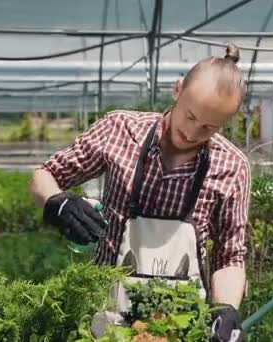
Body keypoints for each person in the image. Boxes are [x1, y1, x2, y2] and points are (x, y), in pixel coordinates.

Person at [28, 44, 250, 342]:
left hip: (181, 321)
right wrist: (58, 202)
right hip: (104, 313)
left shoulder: (232, 166)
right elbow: (45, 175)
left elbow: (229, 257)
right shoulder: (120, 130)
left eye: (208, 128)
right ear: (178, 89)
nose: (192, 132)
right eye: (190, 116)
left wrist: (226, 309)